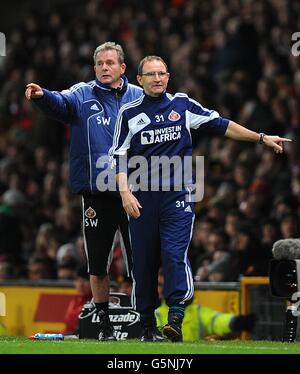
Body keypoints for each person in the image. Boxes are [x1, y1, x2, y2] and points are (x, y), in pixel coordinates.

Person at [111, 55, 291, 342]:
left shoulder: (182, 105)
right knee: (143, 265)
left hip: (177, 197)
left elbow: (223, 125)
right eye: (151, 74)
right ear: (139, 80)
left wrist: (260, 137)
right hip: (141, 199)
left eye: (161, 73)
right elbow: (118, 156)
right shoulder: (129, 113)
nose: (157, 78)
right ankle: (146, 326)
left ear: (168, 76)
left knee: (173, 254)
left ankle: (176, 319)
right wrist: (124, 193)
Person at [25, 42, 142, 340]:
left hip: (135, 190)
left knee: (140, 261)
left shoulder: (139, 97)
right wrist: (42, 97)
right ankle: (103, 323)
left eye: (110, 63)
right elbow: (60, 103)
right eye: (99, 63)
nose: (104, 68)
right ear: (94, 68)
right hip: (97, 192)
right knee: (98, 262)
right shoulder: (82, 94)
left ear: (122, 68)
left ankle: (143, 319)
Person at [63, 267, 93, 335]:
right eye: (77, 280)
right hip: (69, 333)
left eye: (85, 280)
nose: (81, 284)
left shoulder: (97, 301)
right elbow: (68, 321)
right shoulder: (76, 299)